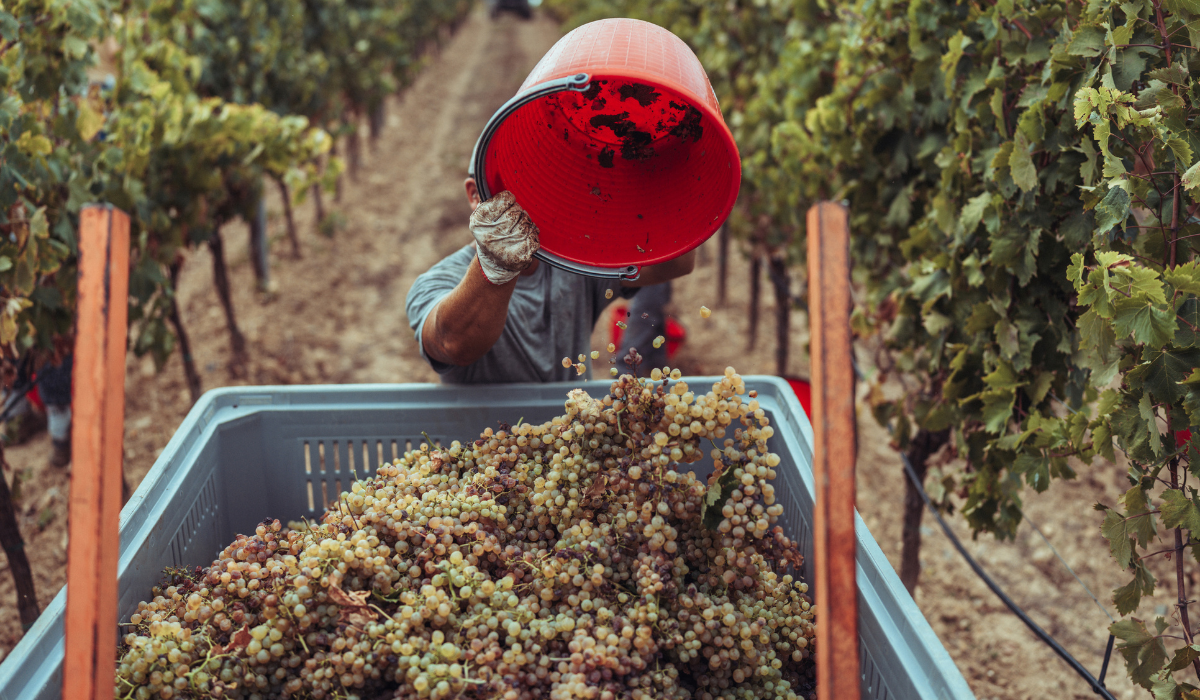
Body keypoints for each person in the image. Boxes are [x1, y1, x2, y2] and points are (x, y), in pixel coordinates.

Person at [405, 180, 696, 383]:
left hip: (570, 447)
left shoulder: (577, 263)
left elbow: (677, 262)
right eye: (514, 183)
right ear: (475, 195)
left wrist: (653, 179)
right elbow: (453, 343)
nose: (531, 198)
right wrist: (497, 265)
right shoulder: (436, 282)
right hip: (483, 457)